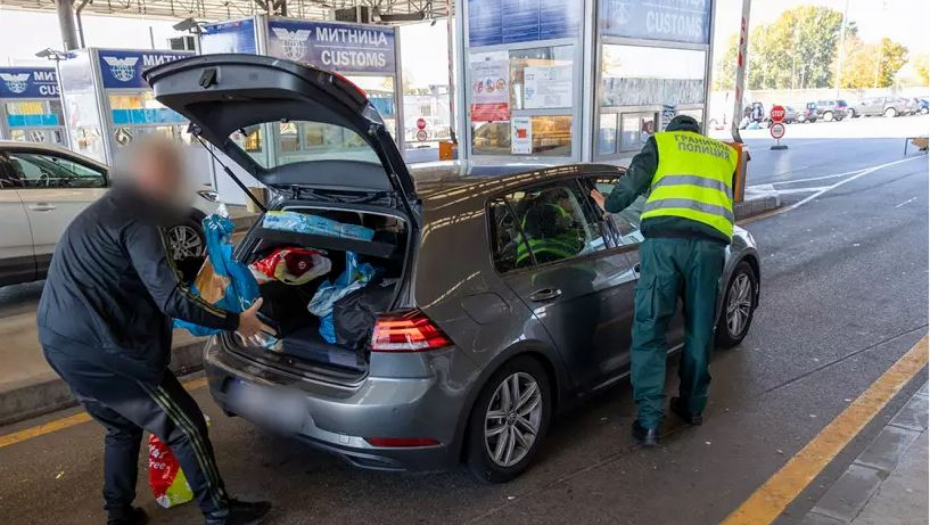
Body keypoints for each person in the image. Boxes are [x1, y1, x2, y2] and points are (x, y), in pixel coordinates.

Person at [37, 137, 274, 525]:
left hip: (62, 344)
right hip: (107, 351)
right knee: (186, 427)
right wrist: (236, 321)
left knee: (121, 427)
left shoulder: (113, 208)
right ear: (156, 175)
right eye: (174, 172)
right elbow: (173, 300)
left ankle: (119, 514)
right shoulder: (141, 220)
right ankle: (220, 513)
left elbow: (151, 279)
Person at [590, 115, 737, 447]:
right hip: (710, 249)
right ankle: (692, 407)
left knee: (651, 327)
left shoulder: (662, 143)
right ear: (698, 133)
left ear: (673, 131)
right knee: (700, 330)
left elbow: (632, 184)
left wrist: (608, 203)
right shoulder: (724, 153)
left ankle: (650, 423)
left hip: (664, 246)